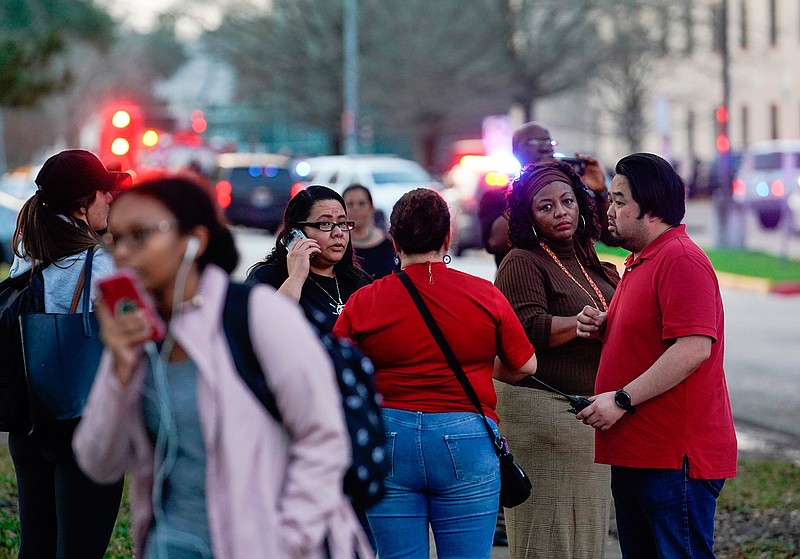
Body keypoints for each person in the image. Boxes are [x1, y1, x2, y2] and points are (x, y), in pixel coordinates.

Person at [72, 174, 370, 559]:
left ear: (194, 240)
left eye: (140, 235)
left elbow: (324, 439)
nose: (124, 254)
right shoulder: (141, 335)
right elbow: (99, 462)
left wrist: (289, 537)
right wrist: (119, 366)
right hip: (172, 541)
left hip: (265, 544)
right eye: (115, 240)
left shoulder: (255, 314)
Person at [334, 188, 538, 559]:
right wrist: (471, 364)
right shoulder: (484, 295)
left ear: (394, 240)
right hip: (467, 437)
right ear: (448, 236)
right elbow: (525, 365)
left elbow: (336, 370)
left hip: (388, 437)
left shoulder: (365, 300)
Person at [576, 153, 738, 558]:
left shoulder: (680, 259)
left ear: (648, 208)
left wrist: (621, 399)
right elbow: (649, 342)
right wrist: (606, 329)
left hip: (673, 457)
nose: (608, 210)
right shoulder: (640, 261)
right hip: (638, 450)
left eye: (618, 201)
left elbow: (694, 347)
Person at [493, 160, 620, 558]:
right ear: (528, 216)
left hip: (589, 414)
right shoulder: (523, 260)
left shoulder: (586, 257)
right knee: (551, 537)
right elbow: (523, 329)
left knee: (585, 534)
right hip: (547, 412)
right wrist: (575, 324)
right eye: (545, 207)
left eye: (567, 201)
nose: (560, 212)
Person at [7, 149, 130, 558]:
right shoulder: (102, 268)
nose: (111, 199)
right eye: (103, 192)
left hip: (29, 421)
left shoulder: (28, 254)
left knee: (35, 548)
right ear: (82, 205)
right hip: (84, 423)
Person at [246, 184, 370, 333]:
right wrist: (296, 277)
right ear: (297, 233)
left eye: (342, 223)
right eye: (325, 223)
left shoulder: (359, 282)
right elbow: (261, 330)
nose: (338, 233)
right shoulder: (267, 278)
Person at [342, 184, 396, 279]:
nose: (356, 209)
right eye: (350, 204)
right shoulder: (338, 245)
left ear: (371, 207)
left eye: (361, 203)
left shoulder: (389, 242)